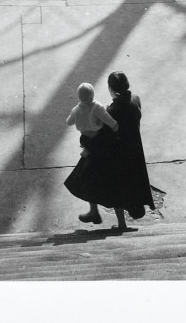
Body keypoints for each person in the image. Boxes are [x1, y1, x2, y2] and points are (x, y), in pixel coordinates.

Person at [64, 72, 154, 232]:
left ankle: (98, 214)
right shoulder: (135, 100)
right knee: (123, 187)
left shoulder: (111, 110)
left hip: (117, 154)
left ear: (111, 88)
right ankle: (120, 222)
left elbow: (104, 135)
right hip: (134, 151)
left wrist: (85, 143)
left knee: (96, 176)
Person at [64, 83, 121, 226]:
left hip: (86, 141)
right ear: (92, 96)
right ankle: (114, 219)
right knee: (103, 176)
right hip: (98, 141)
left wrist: (76, 118)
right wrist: (115, 129)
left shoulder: (76, 110)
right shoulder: (97, 107)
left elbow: (68, 122)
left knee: (89, 175)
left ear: (79, 97)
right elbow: (110, 122)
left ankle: (93, 211)